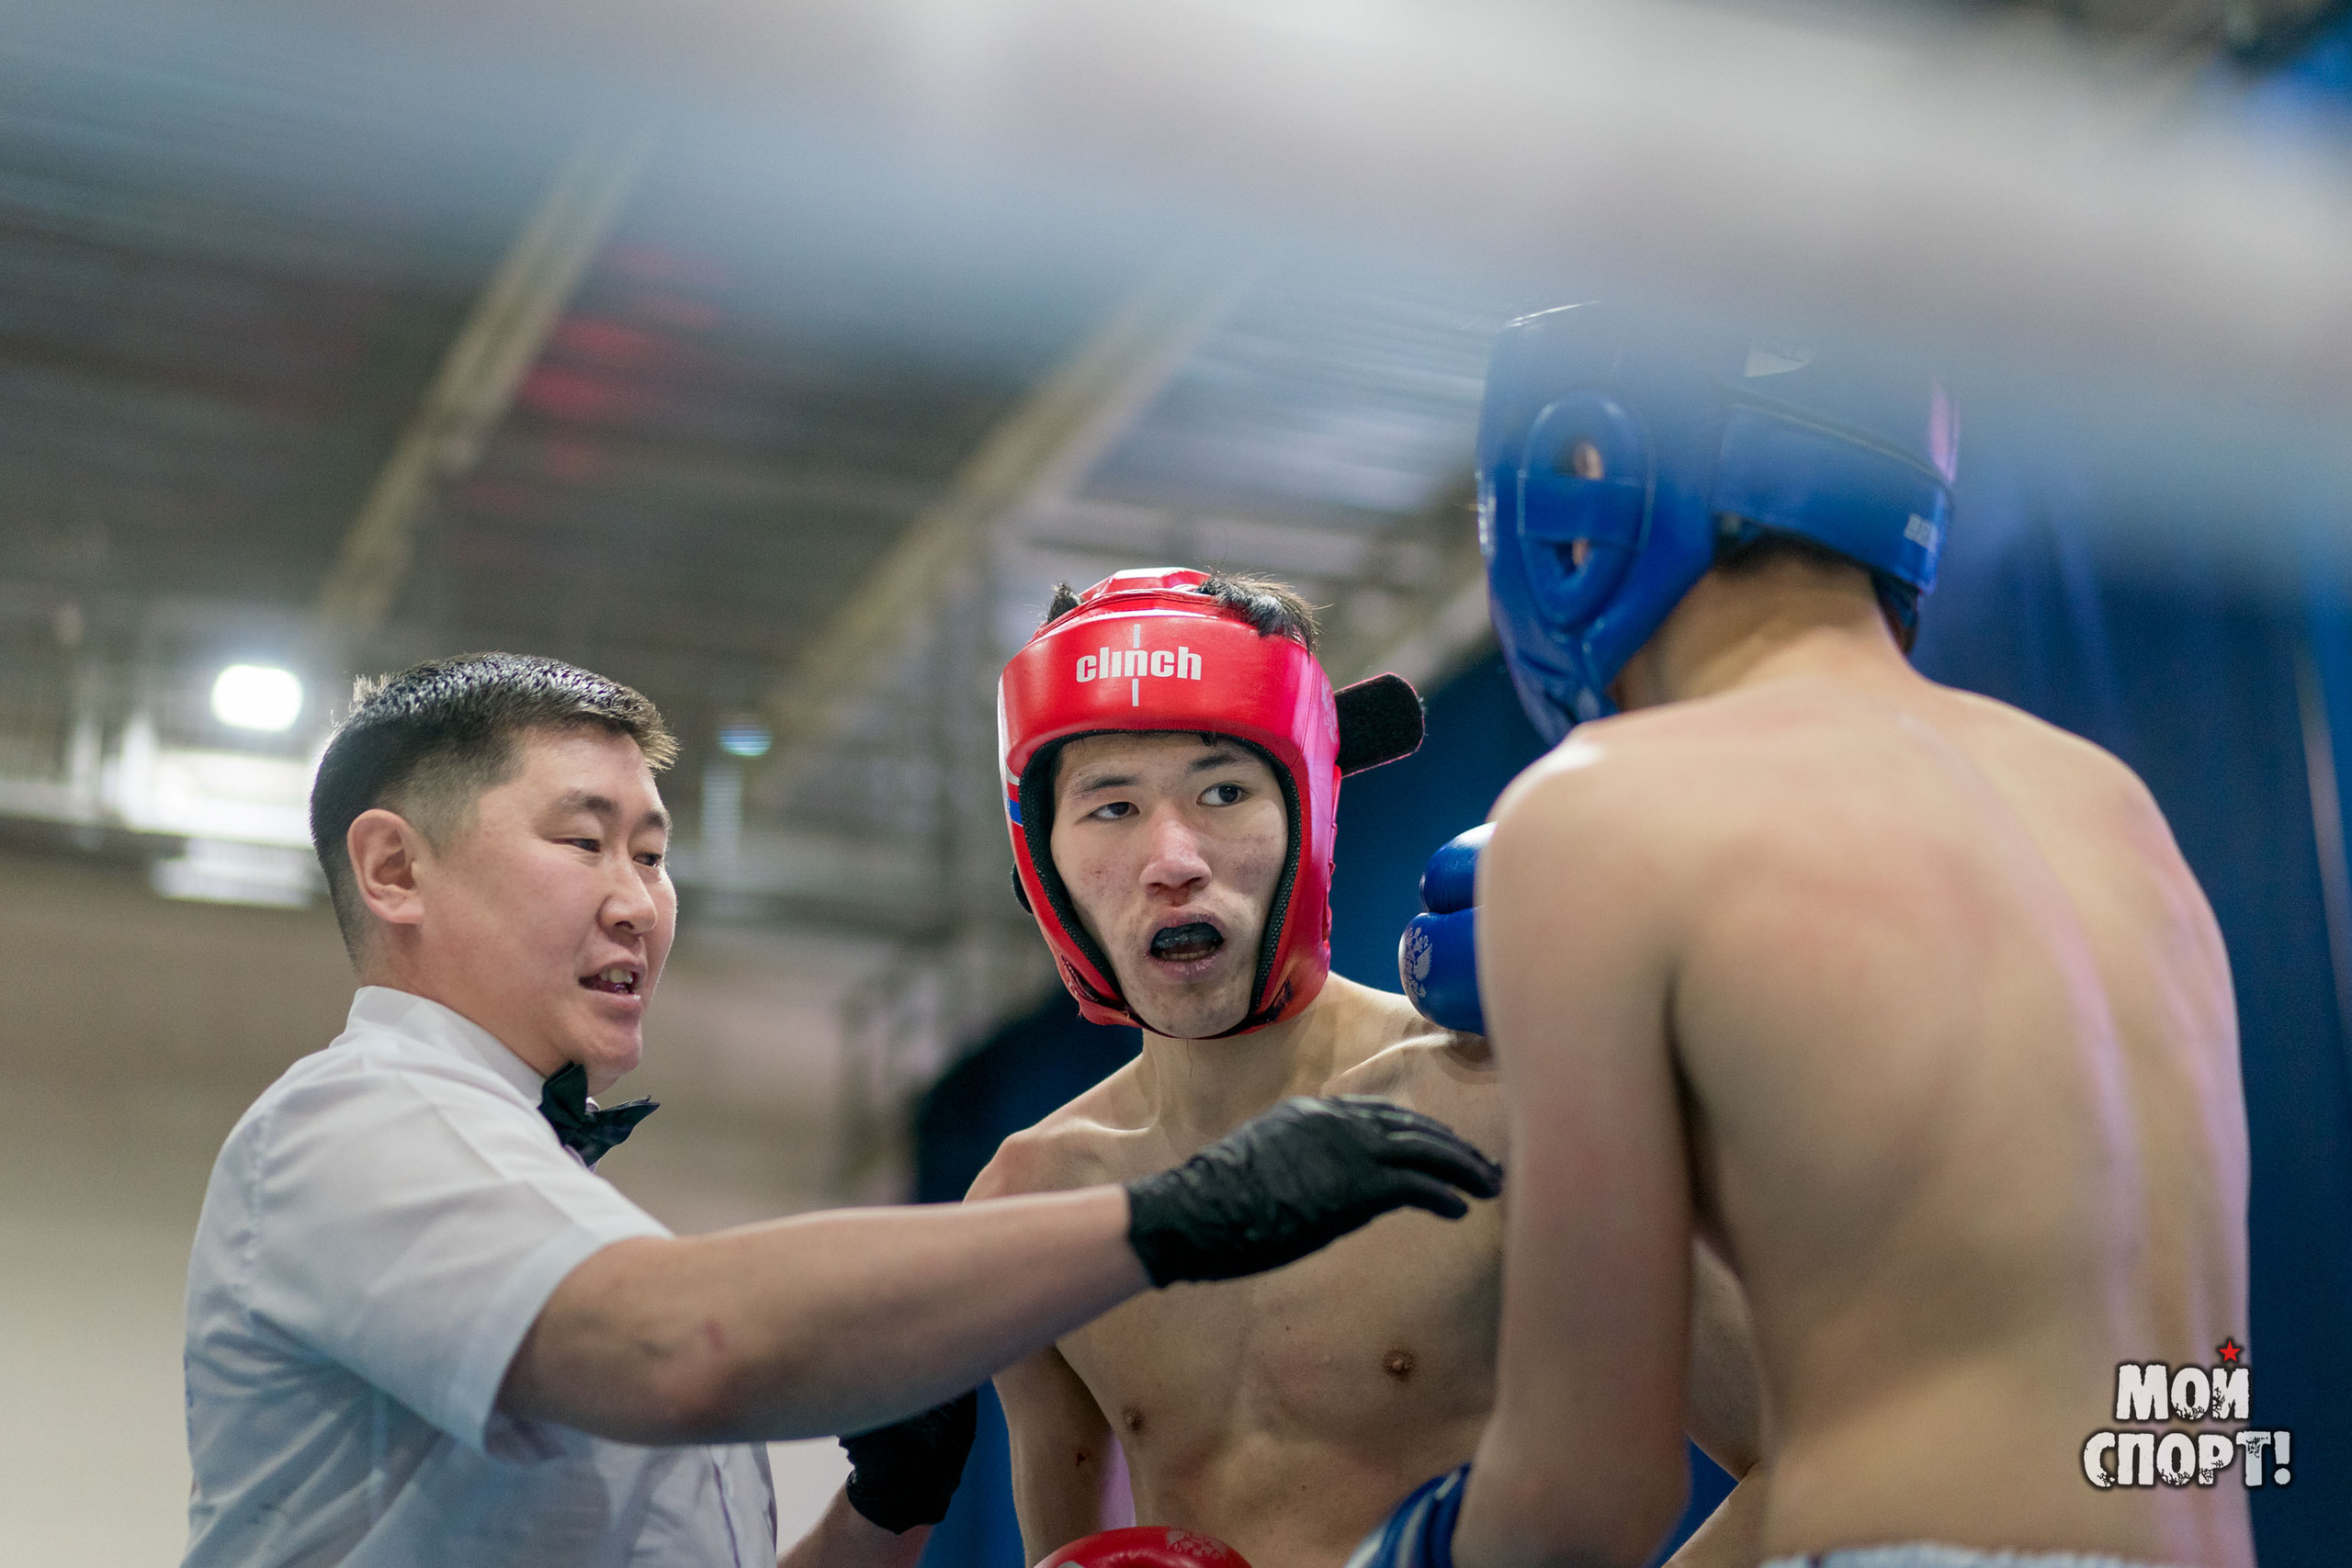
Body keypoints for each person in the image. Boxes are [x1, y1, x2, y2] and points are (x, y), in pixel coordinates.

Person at [180, 651, 1502, 1568]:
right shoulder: (347, 1131)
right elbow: (679, 1334)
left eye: (653, 850)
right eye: (584, 841)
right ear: (395, 865)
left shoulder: (530, 1187)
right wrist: (1171, 1216)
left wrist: (884, 1505)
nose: (638, 898)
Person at [1353, 305, 2255, 1568]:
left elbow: (1586, 1490)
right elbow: (2199, 1419)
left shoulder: (1603, 808)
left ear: (1585, 489)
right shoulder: (2110, 806)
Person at [970, 569, 1767, 1568]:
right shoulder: (1031, 1205)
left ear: (1309, 813)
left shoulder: (1493, 1106)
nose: (1172, 858)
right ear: (1041, 859)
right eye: (1112, 807)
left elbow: (1798, 1463)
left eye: (1222, 792)